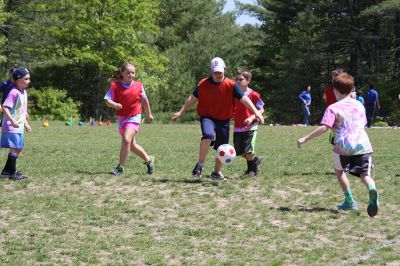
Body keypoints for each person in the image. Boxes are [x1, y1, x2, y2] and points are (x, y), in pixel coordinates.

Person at [297, 72, 379, 217]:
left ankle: (349, 201)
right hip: (363, 145)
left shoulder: (333, 108)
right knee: (364, 175)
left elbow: (324, 127)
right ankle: (371, 187)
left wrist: (305, 138)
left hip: (343, 147)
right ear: (351, 89)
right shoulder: (359, 104)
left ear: (335, 90)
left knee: (339, 171)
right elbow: (364, 122)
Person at [172, 57, 264, 180]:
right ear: (211, 71)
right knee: (208, 135)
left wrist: (256, 112)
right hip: (207, 117)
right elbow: (192, 98)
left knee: (222, 147)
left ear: (224, 70)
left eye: (220, 72)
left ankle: (216, 172)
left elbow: (245, 99)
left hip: (224, 119)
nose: (218, 75)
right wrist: (181, 111)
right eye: (215, 72)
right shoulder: (203, 84)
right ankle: (200, 164)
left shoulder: (231, 85)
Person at [104, 62, 154, 175]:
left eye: (133, 73)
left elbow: (145, 101)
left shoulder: (139, 86)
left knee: (126, 139)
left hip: (135, 116)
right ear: (122, 72)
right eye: (128, 72)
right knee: (131, 146)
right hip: (122, 119)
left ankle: (120, 167)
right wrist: (114, 105)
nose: (131, 75)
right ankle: (149, 160)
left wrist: (149, 114)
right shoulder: (115, 86)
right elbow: (107, 100)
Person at [0, 67, 31, 180]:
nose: (29, 81)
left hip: (19, 125)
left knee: (18, 148)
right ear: (18, 80)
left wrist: (26, 123)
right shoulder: (14, 92)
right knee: (15, 148)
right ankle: (13, 174)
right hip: (11, 125)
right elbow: (5, 107)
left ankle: (5, 172)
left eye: (29, 79)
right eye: (26, 79)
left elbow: (21, 111)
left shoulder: (24, 93)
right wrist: (12, 121)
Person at [233, 69, 264, 177]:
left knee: (248, 150)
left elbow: (261, 109)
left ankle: (251, 170)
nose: (237, 81)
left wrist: (252, 117)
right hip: (238, 126)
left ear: (248, 80)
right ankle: (255, 160)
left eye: (241, 79)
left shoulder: (254, 94)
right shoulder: (234, 94)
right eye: (236, 79)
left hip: (251, 126)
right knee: (239, 151)